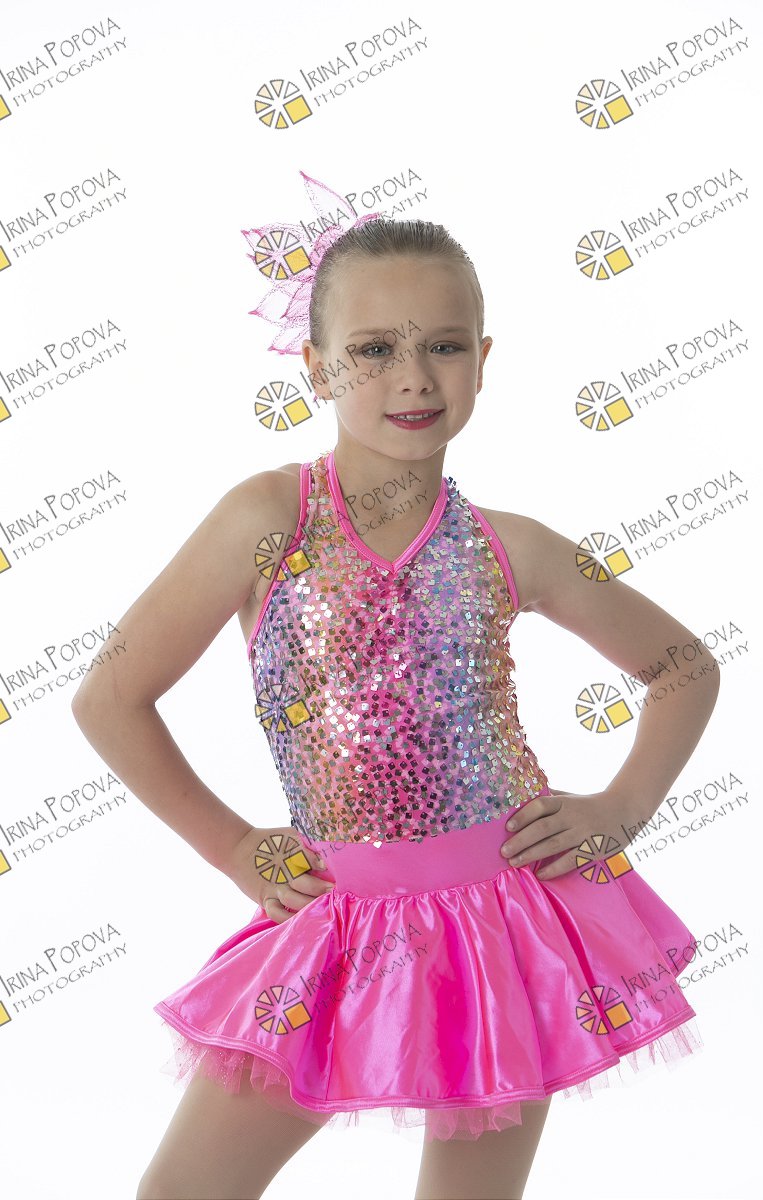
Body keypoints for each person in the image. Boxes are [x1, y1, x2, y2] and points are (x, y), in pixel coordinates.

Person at [72, 172, 714, 1200]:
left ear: (483, 360)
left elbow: (682, 667)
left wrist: (621, 806)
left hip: (506, 924)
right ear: (317, 367)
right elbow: (109, 697)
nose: (412, 378)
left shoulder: (512, 547)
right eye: (373, 349)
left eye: (444, 346)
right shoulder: (266, 521)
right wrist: (234, 848)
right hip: (334, 919)